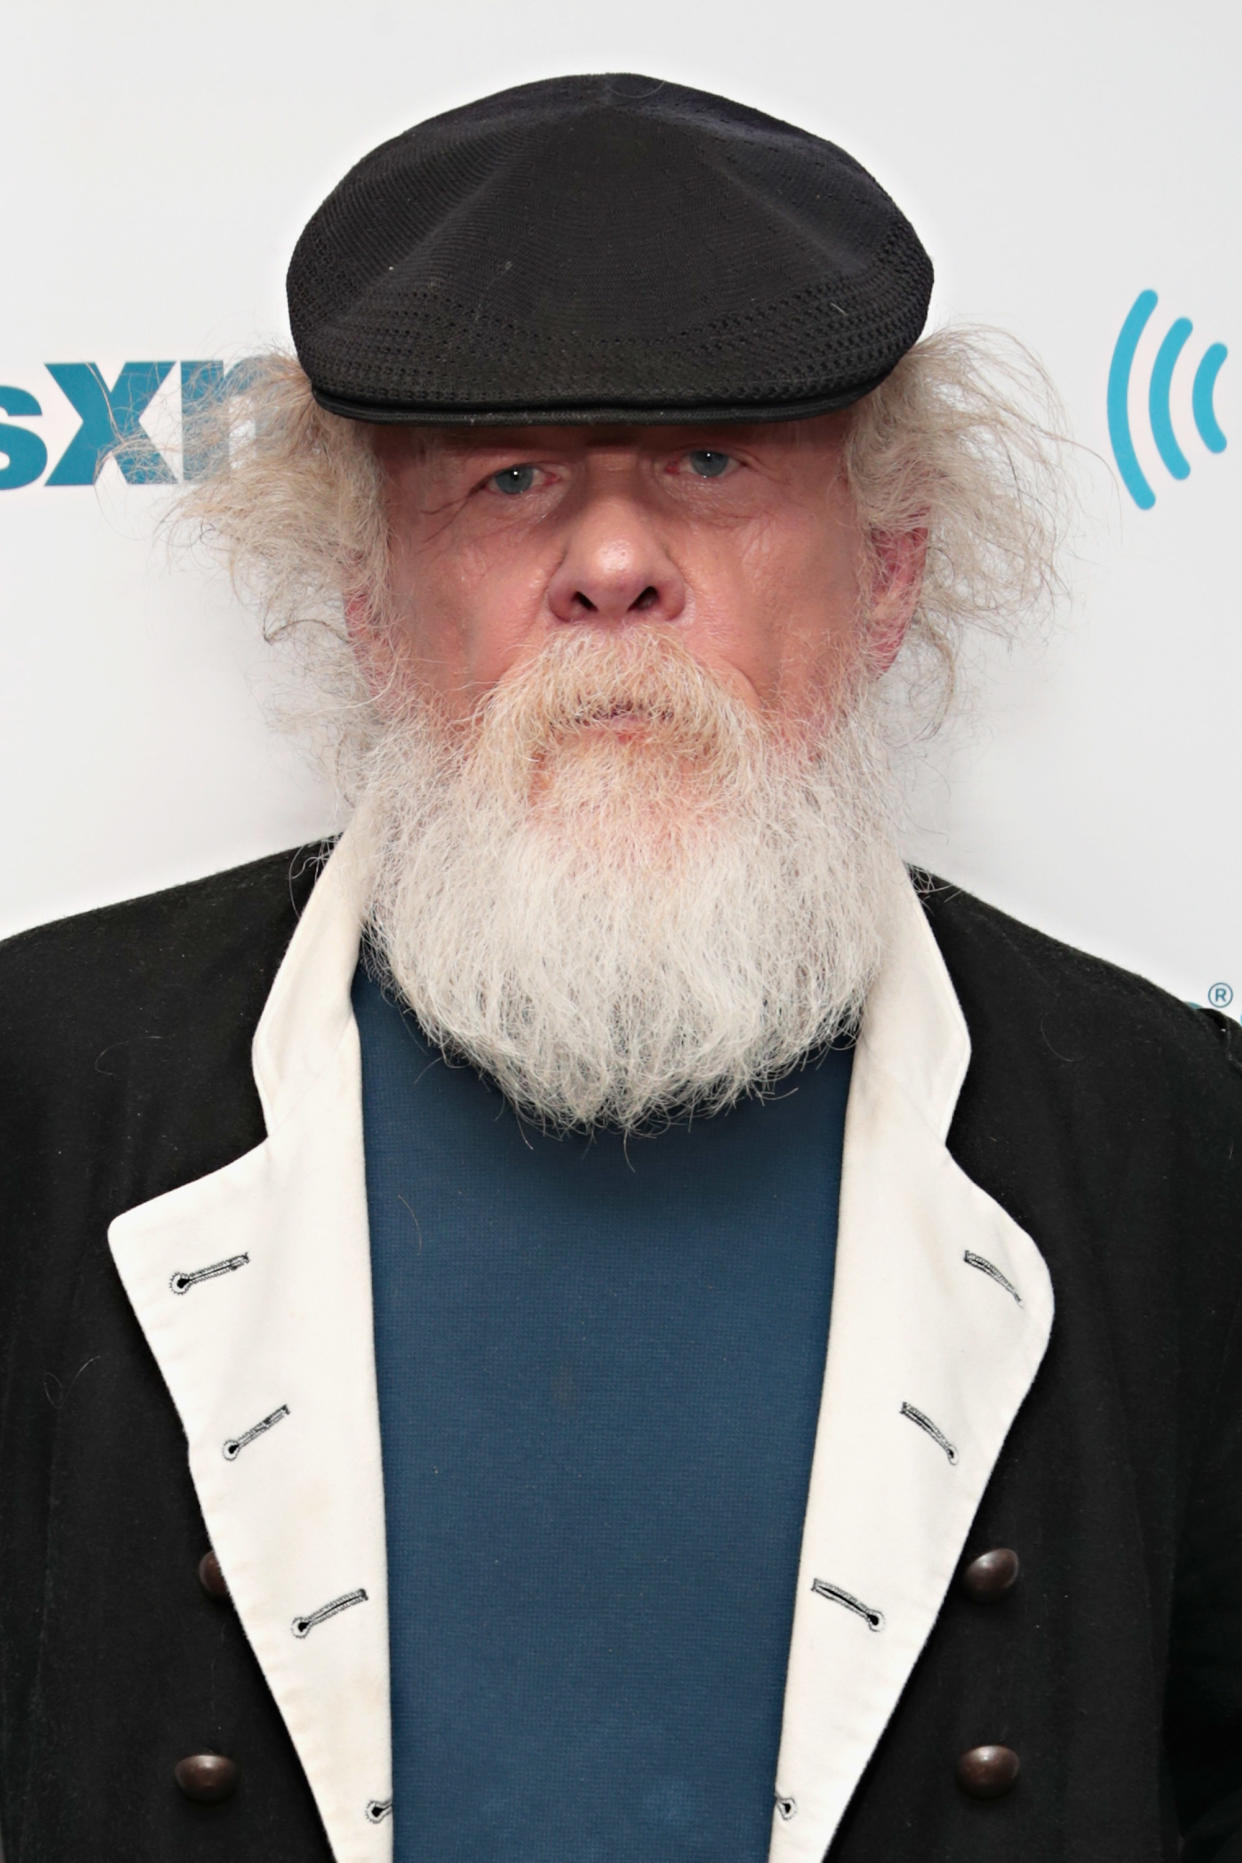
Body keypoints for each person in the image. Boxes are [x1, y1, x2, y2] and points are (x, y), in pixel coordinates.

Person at [1, 71, 1239, 1863]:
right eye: (512, 482)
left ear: (888, 576)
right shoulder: (40, 1088)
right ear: (364, 597)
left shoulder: (1164, 1130)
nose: (608, 566)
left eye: (711, 468)